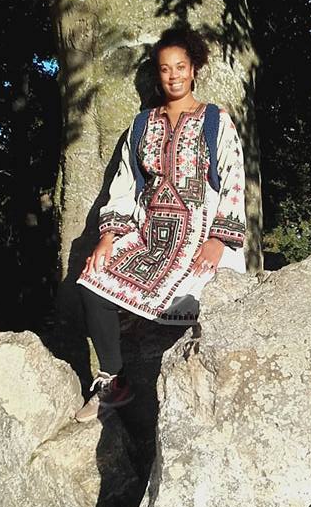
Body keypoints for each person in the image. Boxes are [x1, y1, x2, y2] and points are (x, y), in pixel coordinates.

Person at [75, 26, 246, 420]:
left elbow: (234, 178)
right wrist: (108, 237)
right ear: (158, 74)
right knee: (93, 280)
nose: (173, 76)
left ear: (194, 69)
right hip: (149, 237)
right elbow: (124, 184)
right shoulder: (141, 125)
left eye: (180, 67)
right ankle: (113, 382)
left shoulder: (215, 121)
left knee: (200, 304)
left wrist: (219, 239)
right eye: (166, 69)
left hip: (201, 238)